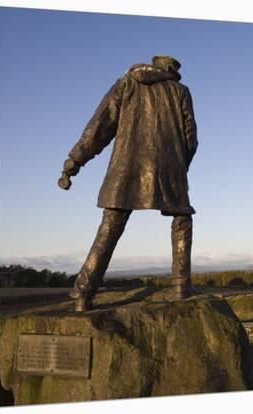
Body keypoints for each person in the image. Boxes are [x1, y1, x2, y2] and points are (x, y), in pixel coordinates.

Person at [58, 55, 199, 312]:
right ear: (171, 69)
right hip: (169, 169)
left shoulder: (126, 83)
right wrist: (179, 168)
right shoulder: (181, 92)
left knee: (110, 227)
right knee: (182, 219)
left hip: (126, 167)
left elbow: (99, 127)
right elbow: (191, 140)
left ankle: (83, 293)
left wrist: (74, 160)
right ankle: (181, 286)